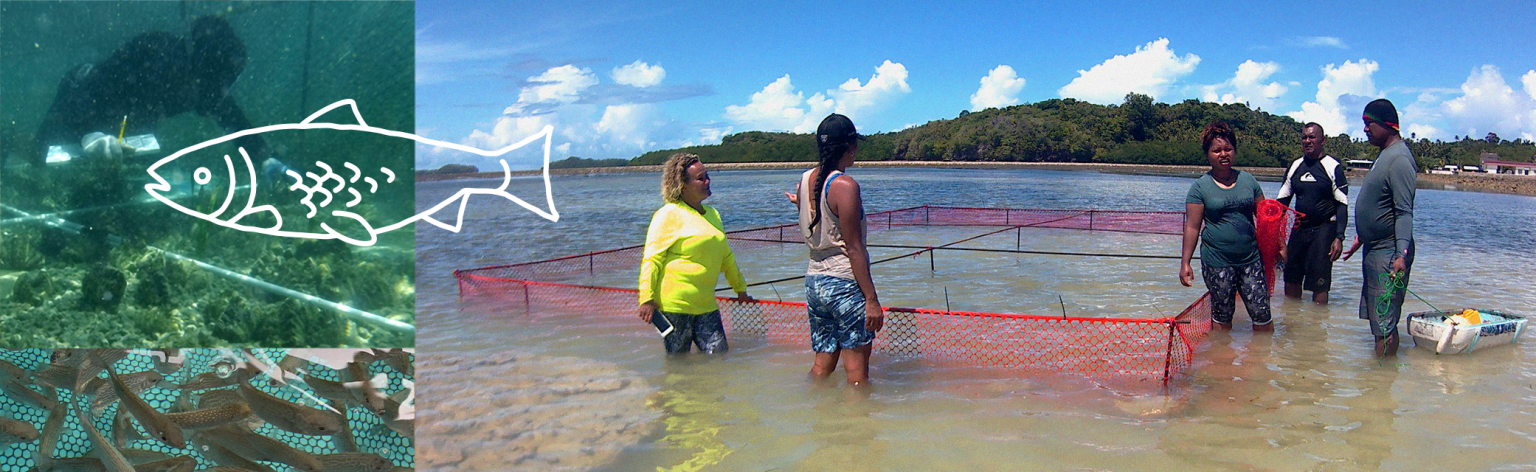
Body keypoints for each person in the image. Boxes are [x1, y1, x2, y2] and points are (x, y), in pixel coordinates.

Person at [31, 15, 286, 182]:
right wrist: (89, 133)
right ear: (199, 67)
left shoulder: (205, 82)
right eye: (221, 83)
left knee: (106, 171)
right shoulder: (152, 54)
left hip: (112, 126)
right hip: (75, 99)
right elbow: (94, 88)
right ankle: (9, 142)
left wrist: (266, 157)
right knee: (38, 158)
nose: (221, 93)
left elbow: (231, 117)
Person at [788, 113, 884, 386]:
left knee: (822, 364)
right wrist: (871, 300)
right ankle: (856, 426)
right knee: (857, 375)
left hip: (815, 283)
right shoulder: (844, 185)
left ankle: (816, 417)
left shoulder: (805, 180)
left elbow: (816, 220)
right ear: (849, 148)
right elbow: (854, 249)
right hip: (843, 283)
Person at [636, 153, 752, 354]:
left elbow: (726, 257)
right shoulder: (668, 214)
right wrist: (646, 298)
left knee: (719, 357)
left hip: (707, 305)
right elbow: (652, 260)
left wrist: (740, 289)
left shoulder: (713, 214)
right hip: (675, 307)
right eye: (700, 178)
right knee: (678, 364)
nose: (707, 181)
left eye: (707, 176)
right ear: (682, 185)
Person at [1179, 121, 1275, 331]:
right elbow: (1192, 228)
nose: (1223, 154)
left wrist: (1279, 246)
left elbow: (1267, 218)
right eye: (1217, 150)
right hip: (1217, 261)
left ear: (1235, 151)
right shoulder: (1199, 188)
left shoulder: (1248, 181)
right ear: (1208, 155)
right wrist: (1185, 263)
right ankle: (1222, 360)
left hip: (1250, 259)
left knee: (1262, 314)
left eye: (1228, 149)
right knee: (1222, 317)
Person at [1353, 98, 1417, 357]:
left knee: (1385, 323)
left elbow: (1404, 211)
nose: (1366, 129)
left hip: (1389, 251)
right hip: (1374, 246)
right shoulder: (1385, 155)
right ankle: (1380, 382)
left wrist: (1401, 254)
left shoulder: (1400, 159)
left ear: (1387, 125)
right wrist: (1362, 235)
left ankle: (1383, 379)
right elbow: (1382, 203)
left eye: (1369, 124)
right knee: (1378, 322)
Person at [1276, 122, 1349, 304]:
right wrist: (1273, 233)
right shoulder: (1295, 166)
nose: (1307, 141)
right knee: (1291, 276)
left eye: (1312, 137)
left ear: (1322, 140)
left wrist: (1339, 237)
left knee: (1319, 282)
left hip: (1325, 229)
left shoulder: (1333, 167)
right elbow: (1282, 203)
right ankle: (1293, 320)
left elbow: (1342, 205)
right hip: (1300, 228)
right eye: (1304, 137)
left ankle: (1319, 318)